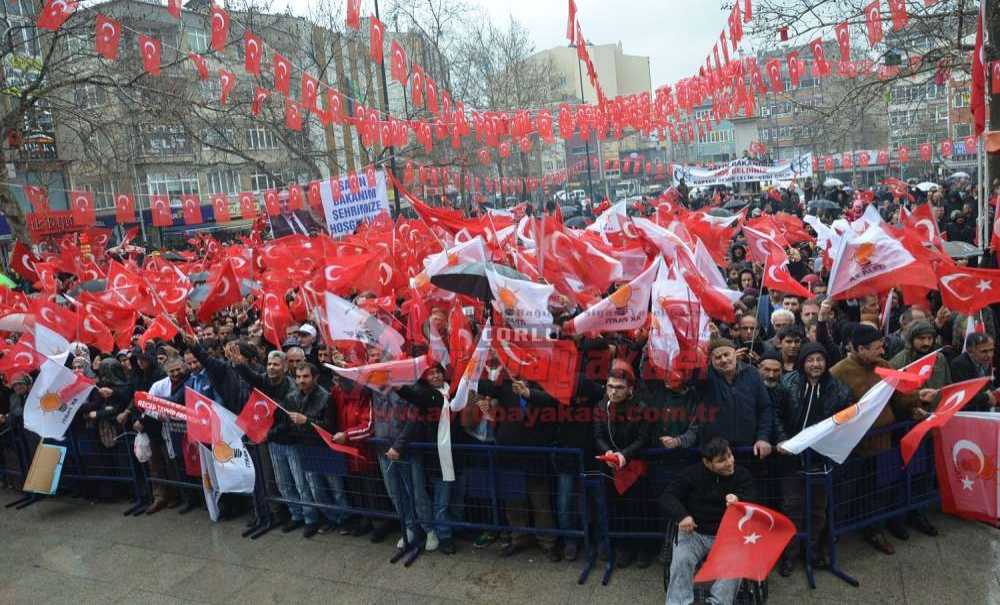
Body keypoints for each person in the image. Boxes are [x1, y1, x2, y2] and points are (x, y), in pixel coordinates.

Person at [829, 324, 936, 554]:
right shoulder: (838, 372)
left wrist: (915, 403)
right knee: (847, 493)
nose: (881, 352)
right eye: (877, 348)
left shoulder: (884, 366)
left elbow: (898, 398)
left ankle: (874, 531)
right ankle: (833, 536)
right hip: (855, 448)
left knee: (879, 490)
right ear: (860, 349)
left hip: (883, 443)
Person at [774, 342, 851, 575]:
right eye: (810, 360)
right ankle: (790, 554)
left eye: (820, 360)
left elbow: (844, 421)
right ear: (802, 362)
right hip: (791, 459)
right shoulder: (787, 383)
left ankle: (813, 551)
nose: (815, 364)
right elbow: (775, 414)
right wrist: (784, 441)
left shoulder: (838, 389)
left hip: (820, 459)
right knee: (792, 507)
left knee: (818, 509)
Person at [659, 438, 754, 605]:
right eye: (721, 460)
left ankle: (717, 602)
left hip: (729, 535)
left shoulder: (742, 475)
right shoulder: (691, 474)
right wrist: (682, 516)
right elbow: (668, 496)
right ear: (707, 463)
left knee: (736, 560)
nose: (729, 462)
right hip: (694, 532)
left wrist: (740, 499)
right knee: (682, 560)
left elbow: (755, 500)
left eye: (730, 456)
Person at [595, 366, 653, 568]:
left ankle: (644, 549)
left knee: (638, 510)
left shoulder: (641, 408)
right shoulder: (602, 406)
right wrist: (609, 453)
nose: (613, 391)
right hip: (611, 467)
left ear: (630, 389)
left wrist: (624, 455)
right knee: (616, 509)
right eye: (610, 386)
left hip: (635, 466)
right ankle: (623, 548)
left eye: (619, 387)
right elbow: (598, 436)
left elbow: (643, 438)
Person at [697, 339, 774, 459]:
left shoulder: (752, 373)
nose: (723, 360)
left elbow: (764, 408)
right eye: (717, 357)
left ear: (735, 354)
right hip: (715, 452)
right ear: (711, 360)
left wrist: (763, 438)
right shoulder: (704, 376)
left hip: (749, 449)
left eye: (726, 355)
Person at [950, 333, 999, 412]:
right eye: (984, 351)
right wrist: (987, 397)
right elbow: (965, 395)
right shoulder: (959, 364)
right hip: (965, 411)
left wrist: (996, 392)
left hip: (982, 406)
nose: (989, 355)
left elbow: (986, 384)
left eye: (991, 350)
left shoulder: (985, 360)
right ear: (970, 351)